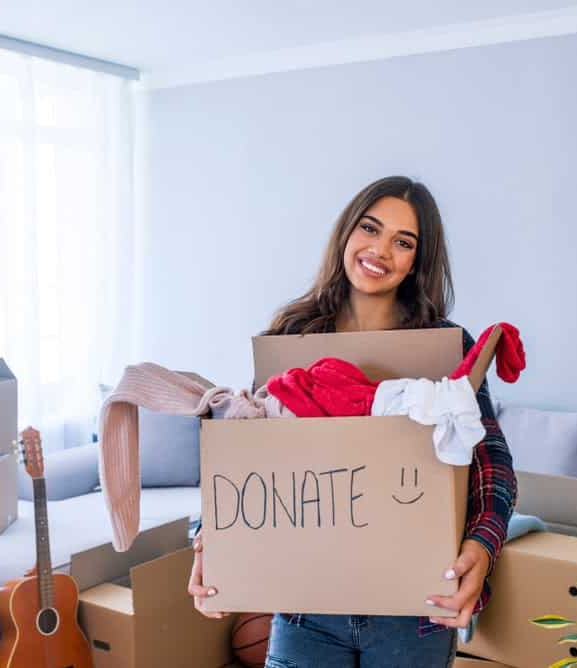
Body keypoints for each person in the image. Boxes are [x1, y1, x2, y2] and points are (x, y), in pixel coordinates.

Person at [188, 176, 516, 667]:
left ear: (415, 262)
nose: (380, 250)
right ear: (346, 232)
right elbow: (242, 453)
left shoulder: (446, 345)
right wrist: (208, 539)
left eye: (403, 242)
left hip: (416, 612)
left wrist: (482, 544)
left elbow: (491, 460)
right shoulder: (291, 337)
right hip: (306, 608)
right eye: (370, 228)